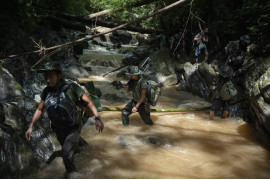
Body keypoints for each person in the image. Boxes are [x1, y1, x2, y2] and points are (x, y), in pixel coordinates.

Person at [25, 61, 104, 173]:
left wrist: (97, 118)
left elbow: (90, 103)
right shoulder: (46, 91)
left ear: (59, 75)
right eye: (46, 76)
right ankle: (82, 149)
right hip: (58, 129)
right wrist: (31, 126)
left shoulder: (71, 88)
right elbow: (39, 109)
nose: (48, 79)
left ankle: (72, 174)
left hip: (74, 127)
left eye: (51, 76)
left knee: (66, 154)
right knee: (67, 150)